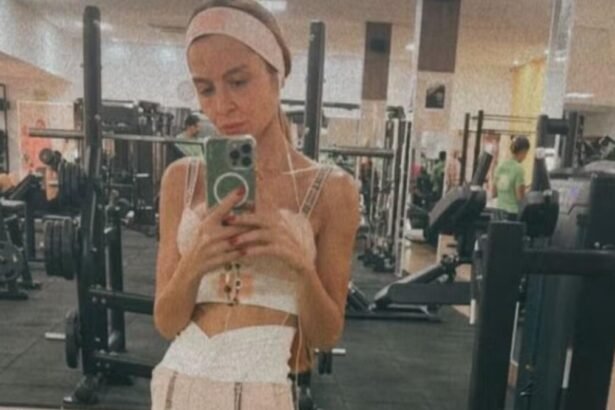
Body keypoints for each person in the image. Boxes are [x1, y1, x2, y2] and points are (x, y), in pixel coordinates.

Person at [152, 1, 360, 409]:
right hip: (177, 387)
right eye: (206, 89)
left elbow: (325, 335)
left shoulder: (331, 190)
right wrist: (195, 262)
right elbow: (166, 322)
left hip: (263, 391)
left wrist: (300, 266)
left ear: (276, 76)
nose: (221, 105)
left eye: (238, 81)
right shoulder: (182, 179)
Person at [493, 136, 530, 219]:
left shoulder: (500, 166)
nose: (525, 157)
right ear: (523, 151)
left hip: (498, 213)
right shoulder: (518, 169)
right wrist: (526, 191)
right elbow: (520, 197)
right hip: (512, 214)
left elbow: (494, 193)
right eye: (526, 153)